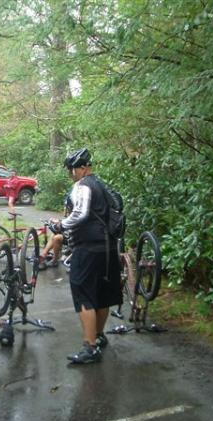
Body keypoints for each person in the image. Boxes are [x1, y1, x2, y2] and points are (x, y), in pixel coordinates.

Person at [51, 147, 121, 364]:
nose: (70, 174)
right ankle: (99, 336)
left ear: (79, 168)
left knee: (84, 294)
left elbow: (80, 214)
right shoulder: (101, 184)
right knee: (103, 294)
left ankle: (89, 347)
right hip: (108, 248)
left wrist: (60, 225)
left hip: (88, 248)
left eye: (71, 170)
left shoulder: (82, 186)